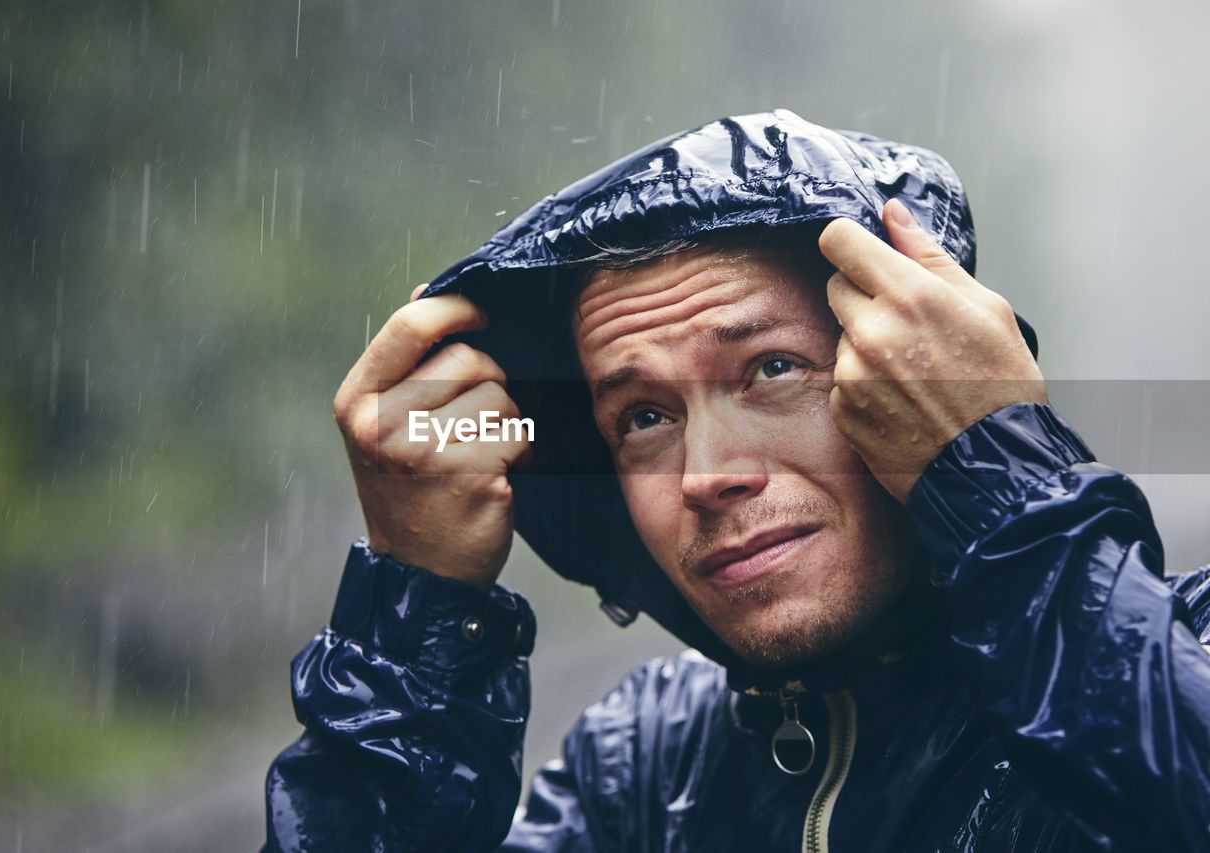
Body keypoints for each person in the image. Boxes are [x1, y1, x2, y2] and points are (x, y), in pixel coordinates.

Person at [263, 110, 1210, 852]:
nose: (706, 476)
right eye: (643, 417)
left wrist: (998, 474)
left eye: (770, 370)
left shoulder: (1182, 654)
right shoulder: (638, 775)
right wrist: (414, 623)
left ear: (916, 382)